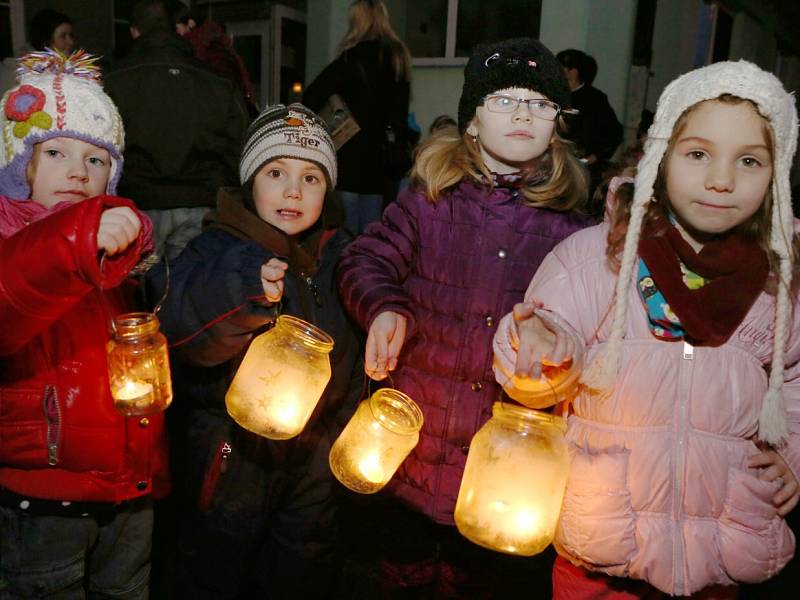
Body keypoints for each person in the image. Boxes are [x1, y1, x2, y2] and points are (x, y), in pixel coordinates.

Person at [494, 60, 800, 598]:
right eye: (698, 153)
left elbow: (795, 379)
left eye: (749, 160)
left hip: (717, 550)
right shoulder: (595, 260)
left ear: (777, 175)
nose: (721, 179)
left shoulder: (780, 283)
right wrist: (539, 347)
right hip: (600, 549)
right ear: (660, 156)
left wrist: (791, 454)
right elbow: (536, 363)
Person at [336, 37, 591, 597]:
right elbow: (365, 258)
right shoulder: (431, 201)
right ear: (473, 118)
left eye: (539, 102)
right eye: (504, 99)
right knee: (400, 574)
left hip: (499, 469)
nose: (523, 112)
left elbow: (590, 330)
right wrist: (383, 308)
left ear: (556, 124)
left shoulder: (573, 232)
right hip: (415, 448)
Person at [147, 103, 363, 599]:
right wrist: (244, 288)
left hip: (314, 454)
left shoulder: (338, 257)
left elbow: (352, 346)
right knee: (214, 566)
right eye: (276, 172)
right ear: (250, 183)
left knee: (304, 563)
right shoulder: (217, 248)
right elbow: (177, 313)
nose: (293, 190)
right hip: (232, 454)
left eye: (311, 178)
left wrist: (348, 423)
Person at [0, 49, 168, 599]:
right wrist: (77, 241)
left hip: (127, 485)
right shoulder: (13, 239)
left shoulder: (110, 248)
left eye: (97, 161)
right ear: (18, 164)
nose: (78, 171)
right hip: (44, 497)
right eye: (55, 152)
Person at [104, 0, 249, 261]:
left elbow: (99, 146)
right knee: (190, 292)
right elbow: (239, 144)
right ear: (175, 29)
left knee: (139, 295)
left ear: (135, 32)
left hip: (138, 206)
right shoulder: (216, 80)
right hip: (199, 203)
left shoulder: (114, 79)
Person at [303, 0, 412, 233]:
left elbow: (311, 97)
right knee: (372, 238)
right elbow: (400, 113)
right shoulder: (398, 59)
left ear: (357, 22)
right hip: (382, 164)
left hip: (348, 161)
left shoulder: (349, 60)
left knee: (345, 238)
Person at [167, 1, 259, 117]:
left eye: (177, 28)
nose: (176, 34)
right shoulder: (211, 44)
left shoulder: (210, 49)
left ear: (190, 23)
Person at [557, 49, 622, 207]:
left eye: (566, 68)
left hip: (583, 169)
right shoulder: (554, 95)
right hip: (556, 163)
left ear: (575, 71)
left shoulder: (595, 99)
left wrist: (595, 156)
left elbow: (614, 133)